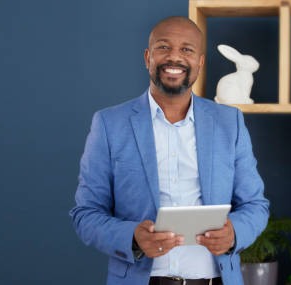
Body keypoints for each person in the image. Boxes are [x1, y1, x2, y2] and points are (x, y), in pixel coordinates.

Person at [69, 16, 269, 285]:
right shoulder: (109, 124)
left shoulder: (229, 122)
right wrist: (132, 237)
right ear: (147, 57)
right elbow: (86, 214)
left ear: (199, 62)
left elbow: (256, 206)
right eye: (163, 47)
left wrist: (234, 233)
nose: (174, 57)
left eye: (186, 49)